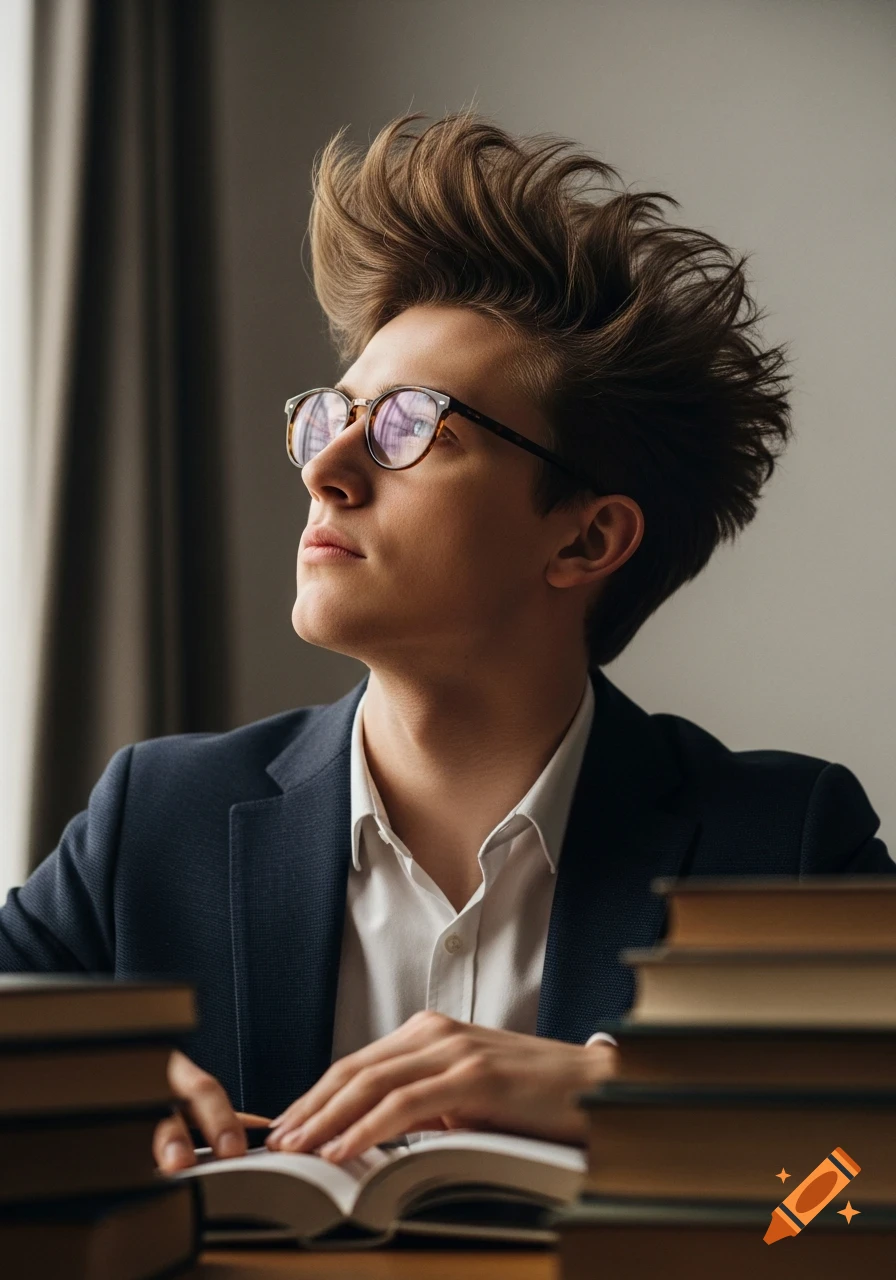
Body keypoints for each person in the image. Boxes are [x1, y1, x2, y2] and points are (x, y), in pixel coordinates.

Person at [1, 109, 892, 1175]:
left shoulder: (781, 845)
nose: (324, 466)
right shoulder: (160, 820)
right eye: (335, 413)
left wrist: (628, 1095)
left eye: (408, 425)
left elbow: (846, 1201)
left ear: (585, 535)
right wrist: (64, 1091)